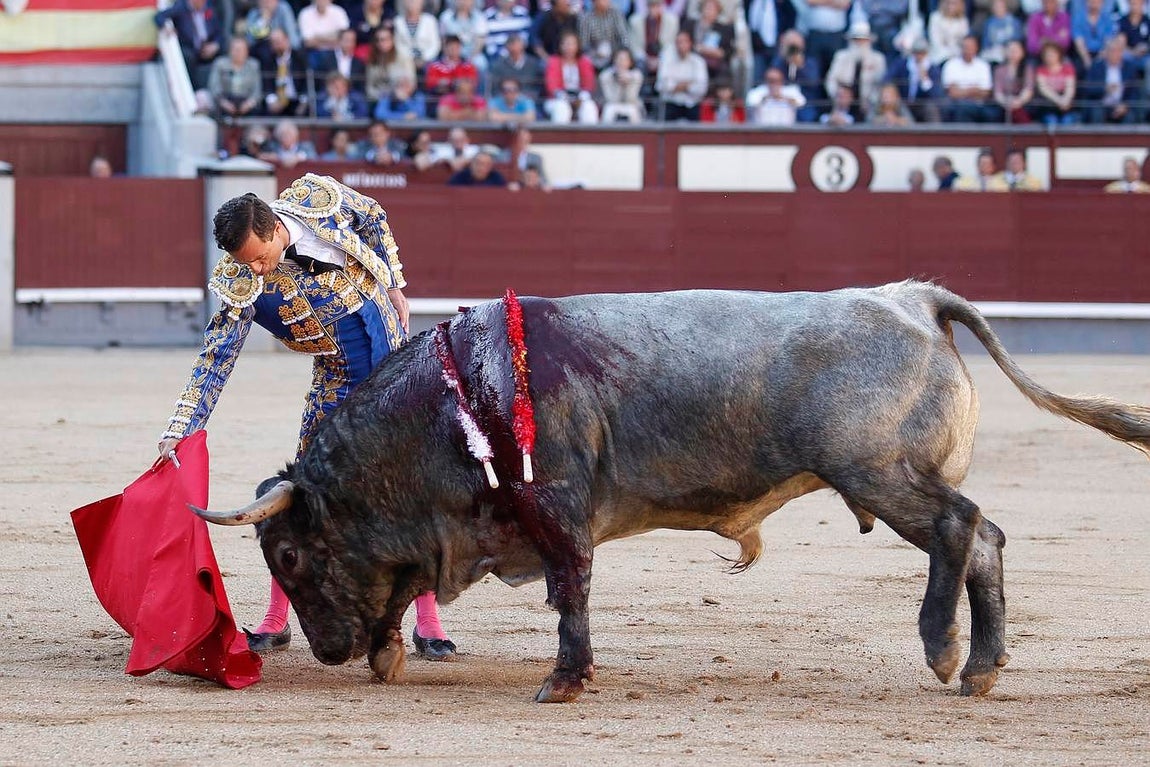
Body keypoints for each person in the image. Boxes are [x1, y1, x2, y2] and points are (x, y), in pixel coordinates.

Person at [157, 174, 457, 661]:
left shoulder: (318, 198)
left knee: (414, 493)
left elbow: (374, 215)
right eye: (244, 262)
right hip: (337, 377)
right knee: (298, 503)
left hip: (397, 369)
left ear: (276, 227)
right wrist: (180, 429)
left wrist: (397, 285)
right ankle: (276, 621)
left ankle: (429, 623)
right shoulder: (240, 282)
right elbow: (215, 360)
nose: (254, 269)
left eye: (258, 256)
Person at [154, 0, 224, 91]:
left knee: (223, 51)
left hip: (207, 47)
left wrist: (215, 45)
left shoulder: (209, 7)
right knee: (188, 57)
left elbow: (219, 32)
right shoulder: (181, 7)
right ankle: (194, 90)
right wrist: (166, 27)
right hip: (190, 48)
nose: (202, 3)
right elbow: (159, 16)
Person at [825, 21, 887, 121]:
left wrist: (872, 100)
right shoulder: (841, 57)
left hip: (868, 104)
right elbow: (831, 80)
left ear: (868, 41)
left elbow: (880, 84)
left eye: (862, 40)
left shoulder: (878, 59)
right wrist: (839, 97)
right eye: (856, 40)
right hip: (843, 105)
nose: (859, 43)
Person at [545, 31, 602, 123]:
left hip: (581, 97)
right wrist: (564, 97)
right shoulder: (553, 61)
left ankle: (590, 137)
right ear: (560, 45)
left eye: (572, 44)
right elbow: (551, 84)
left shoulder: (585, 61)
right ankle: (561, 137)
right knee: (562, 108)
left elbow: (589, 83)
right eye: (566, 44)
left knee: (589, 107)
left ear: (577, 46)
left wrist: (581, 97)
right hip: (557, 99)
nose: (569, 47)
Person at [1082, 35, 1138, 124]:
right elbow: (1088, 89)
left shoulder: (1129, 68)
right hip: (1101, 104)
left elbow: (1134, 92)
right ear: (1106, 52)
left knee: (1130, 116)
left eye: (1118, 51)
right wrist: (1105, 89)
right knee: (1097, 113)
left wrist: (1125, 105)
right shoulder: (1096, 67)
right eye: (1112, 51)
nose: (1115, 54)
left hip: (1121, 105)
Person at [656, 29, 709, 120]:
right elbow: (661, 85)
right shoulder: (667, 61)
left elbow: (701, 88)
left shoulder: (698, 62)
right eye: (679, 42)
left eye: (685, 42)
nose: (681, 45)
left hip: (691, 104)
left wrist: (677, 86)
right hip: (671, 103)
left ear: (690, 43)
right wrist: (687, 84)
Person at [630, 0, 680, 92]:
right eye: (652, 6)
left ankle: (662, 96)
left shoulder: (672, 21)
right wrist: (647, 59)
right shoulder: (635, 21)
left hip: (663, 58)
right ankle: (643, 94)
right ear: (647, 7)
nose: (654, 9)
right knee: (639, 66)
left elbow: (671, 45)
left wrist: (659, 60)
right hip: (644, 58)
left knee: (668, 65)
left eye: (657, 6)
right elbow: (634, 46)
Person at [889, 37, 943, 123]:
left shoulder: (933, 69)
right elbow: (888, 78)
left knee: (931, 109)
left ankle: (935, 135)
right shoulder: (902, 65)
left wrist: (925, 80)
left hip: (922, 104)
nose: (919, 56)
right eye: (917, 52)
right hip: (903, 102)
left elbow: (936, 95)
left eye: (922, 53)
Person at [941, 34, 994, 122]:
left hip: (979, 105)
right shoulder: (951, 64)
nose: (967, 50)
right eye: (965, 47)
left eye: (970, 47)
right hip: (957, 104)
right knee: (962, 109)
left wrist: (962, 90)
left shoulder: (983, 65)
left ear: (976, 48)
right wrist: (974, 89)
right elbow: (952, 93)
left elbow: (985, 92)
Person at [207, 37, 264, 118]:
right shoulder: (220, 64)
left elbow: (257, 90)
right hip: (225, 101)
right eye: (236, 50)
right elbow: (214, 86)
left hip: (247, 102)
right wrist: (224, 103)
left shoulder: (253, 65)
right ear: (230, 51)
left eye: (241, 50)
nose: (238, 53)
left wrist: (249, 104)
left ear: (247, 51)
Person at [262, 28, 311, 117]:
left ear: (287, 40)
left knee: (306, 112)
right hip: (277, 100)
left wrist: (303, 103)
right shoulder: (268, 60)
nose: (277, 45)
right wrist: (272, 101)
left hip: (296, 100)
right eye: (273, 42)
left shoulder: (299, 58)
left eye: (279, 41)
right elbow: (267, 84)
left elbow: (307, 82)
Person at [365, 27, 418, 104]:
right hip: (381, 99)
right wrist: (381, 96)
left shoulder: (403, 58)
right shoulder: (373, 61)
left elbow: (411, 83)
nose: (381, 43)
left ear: (392, 40)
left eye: (384, 39)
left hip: (401, 97)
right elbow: (369, 88)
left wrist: (399, 93)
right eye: (378, 40)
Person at [245, 0, 302, 70]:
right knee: (263, 52)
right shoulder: (253, 13)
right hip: (264, 49)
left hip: (284, 45)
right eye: (263, 1)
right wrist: (263, 20)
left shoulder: (283, 8)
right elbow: (250, 40)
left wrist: (288, 46)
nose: (266, 3)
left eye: (269, 1)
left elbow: (292, 36)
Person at [1031, 40, 1078, 124]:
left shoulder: (1068, 68)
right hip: (1049, 104)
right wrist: (1059, 101)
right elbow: (1043, 89)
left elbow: (1070, 87)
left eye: (1052, 54)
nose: (1050, 57)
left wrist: (1065, 101)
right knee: (1051, 122)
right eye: (1047, 55)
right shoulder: (1041, 70)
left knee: (1067, 122)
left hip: (1066, 104)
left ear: (1058, 54)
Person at [489, 31, 545, 100]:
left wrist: (529, 96)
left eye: (517, 44)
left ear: (523, 46)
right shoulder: (498, 65)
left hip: (530, 100)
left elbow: (540, 85)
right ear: (507, 48)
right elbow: (494, 89)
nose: (515, 48)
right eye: (512, 45)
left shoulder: (534, 64)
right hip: (505, 102)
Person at [298, 0, 351, 70]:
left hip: (337, 51)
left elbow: (344, 37)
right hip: (314, 52)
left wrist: (317, 37)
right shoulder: (305, 13)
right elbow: (308, 42)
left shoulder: (339, 11)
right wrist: (334, 37)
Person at [580, 0, 632, 71]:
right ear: (594, 2)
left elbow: (624, 37)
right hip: (594, 55)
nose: (607, 1)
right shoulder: (586, 18)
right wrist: (596, 52)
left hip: (614, 53)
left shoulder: (616, 14)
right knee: (585, 60)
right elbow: (584, 44)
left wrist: (618, 51)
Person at [394, 0, 443, 72]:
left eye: (415, 1)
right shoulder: (397, 21)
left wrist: (424, 58)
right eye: (409, 1)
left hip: (428, 61)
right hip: (405, 62)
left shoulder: (430, 20)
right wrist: (410, 59)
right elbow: (398, 44)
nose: (412, 3)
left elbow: (435, 44)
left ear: (422, 2)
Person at [993, 38, 1034, 123]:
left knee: (1018, 112)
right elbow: (998, 92)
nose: (1013, 53)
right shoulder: (999, 70)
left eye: (1016, 51)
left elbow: (1028, 89)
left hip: (1022, 102)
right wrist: (1006, 102)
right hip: (1004, 102)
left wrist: (1018, 101)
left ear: (1022, 53)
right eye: (1011, 50)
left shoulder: (1027, 69)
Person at [599, 48, 646, 122]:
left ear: (630, 62)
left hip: (632, 105)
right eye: (619, 59)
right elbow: (611, 99)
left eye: (625, 59)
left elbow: (631, 99)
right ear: (614, 60)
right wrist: (618, 82)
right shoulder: (605, 76)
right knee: (609, 110)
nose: (621, 62)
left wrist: (627, 84)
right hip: (612, 104)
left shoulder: (637, 75)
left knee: (632, 110)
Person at [1071, 0, 1114, 73]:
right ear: (1087, 2)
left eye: (1097, 2)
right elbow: (1078, 41)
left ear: (1102, 3)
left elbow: (1108, 40)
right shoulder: (1079, 18)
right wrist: (1086, 59)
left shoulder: (1107, 18)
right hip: (1083, 53)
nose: (1094, 4)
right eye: (1092, 2)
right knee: (1079, 67)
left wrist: (1101, 56)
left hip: (1102, 53)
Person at [981, 0, 1024, 65]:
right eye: (995, 6)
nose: (998, 8)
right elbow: (986, 43)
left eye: (1000, 6)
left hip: (1009, 50)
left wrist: (1007, 47)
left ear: (1005, 7)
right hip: (994, 51)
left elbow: (1017, 39)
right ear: (992, 8)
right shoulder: (989, 23)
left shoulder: (1014, 21)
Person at [928, 0, 969, 65]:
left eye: (954, 3)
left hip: (957, 55)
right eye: (948, 3)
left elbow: (963, 41)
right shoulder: (935, 17)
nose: (950, 6)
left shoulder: (963, 20)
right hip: (940, 55)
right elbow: (935, 41)